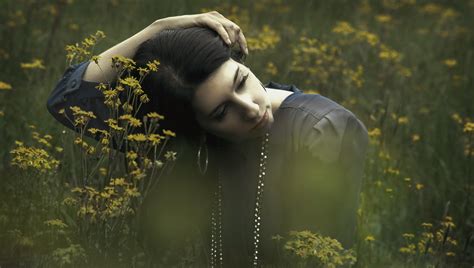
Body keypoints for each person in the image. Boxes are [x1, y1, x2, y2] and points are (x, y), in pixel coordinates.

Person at [46, 12, 369, 267]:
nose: (250, 108)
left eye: (241, 81)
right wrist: (158, 28)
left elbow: (326, 257)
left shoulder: (320, 131)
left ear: (240, 62)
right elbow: (66, 100)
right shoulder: (185, 139)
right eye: (220, 112)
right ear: (195, 127)